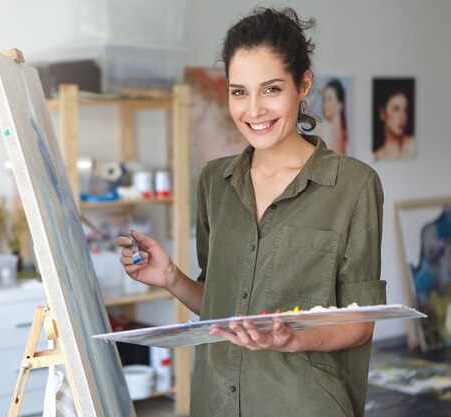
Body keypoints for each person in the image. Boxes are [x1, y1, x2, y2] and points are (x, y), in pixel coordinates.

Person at [117, 7, 385, 417]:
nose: (253, 110)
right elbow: (221, 304)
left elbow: (359, 322)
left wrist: (290, 339)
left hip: (303, 404)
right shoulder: (215, 182)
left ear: (303, 84)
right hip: (215, 402)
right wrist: (170, 278)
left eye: (271, 89)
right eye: (239, 91)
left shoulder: (353, 185)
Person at [373, 80, 415, 161]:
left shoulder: (414, 145)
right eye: (396, 109)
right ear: (382, 113)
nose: (402, 117)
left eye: (405, 110)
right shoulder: (376, 157)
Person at [319, 78, 348, 154]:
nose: (325, 104)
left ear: (340, 104)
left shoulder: (343, 133)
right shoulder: (323, 126)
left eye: (329, 99)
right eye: (324, 99)